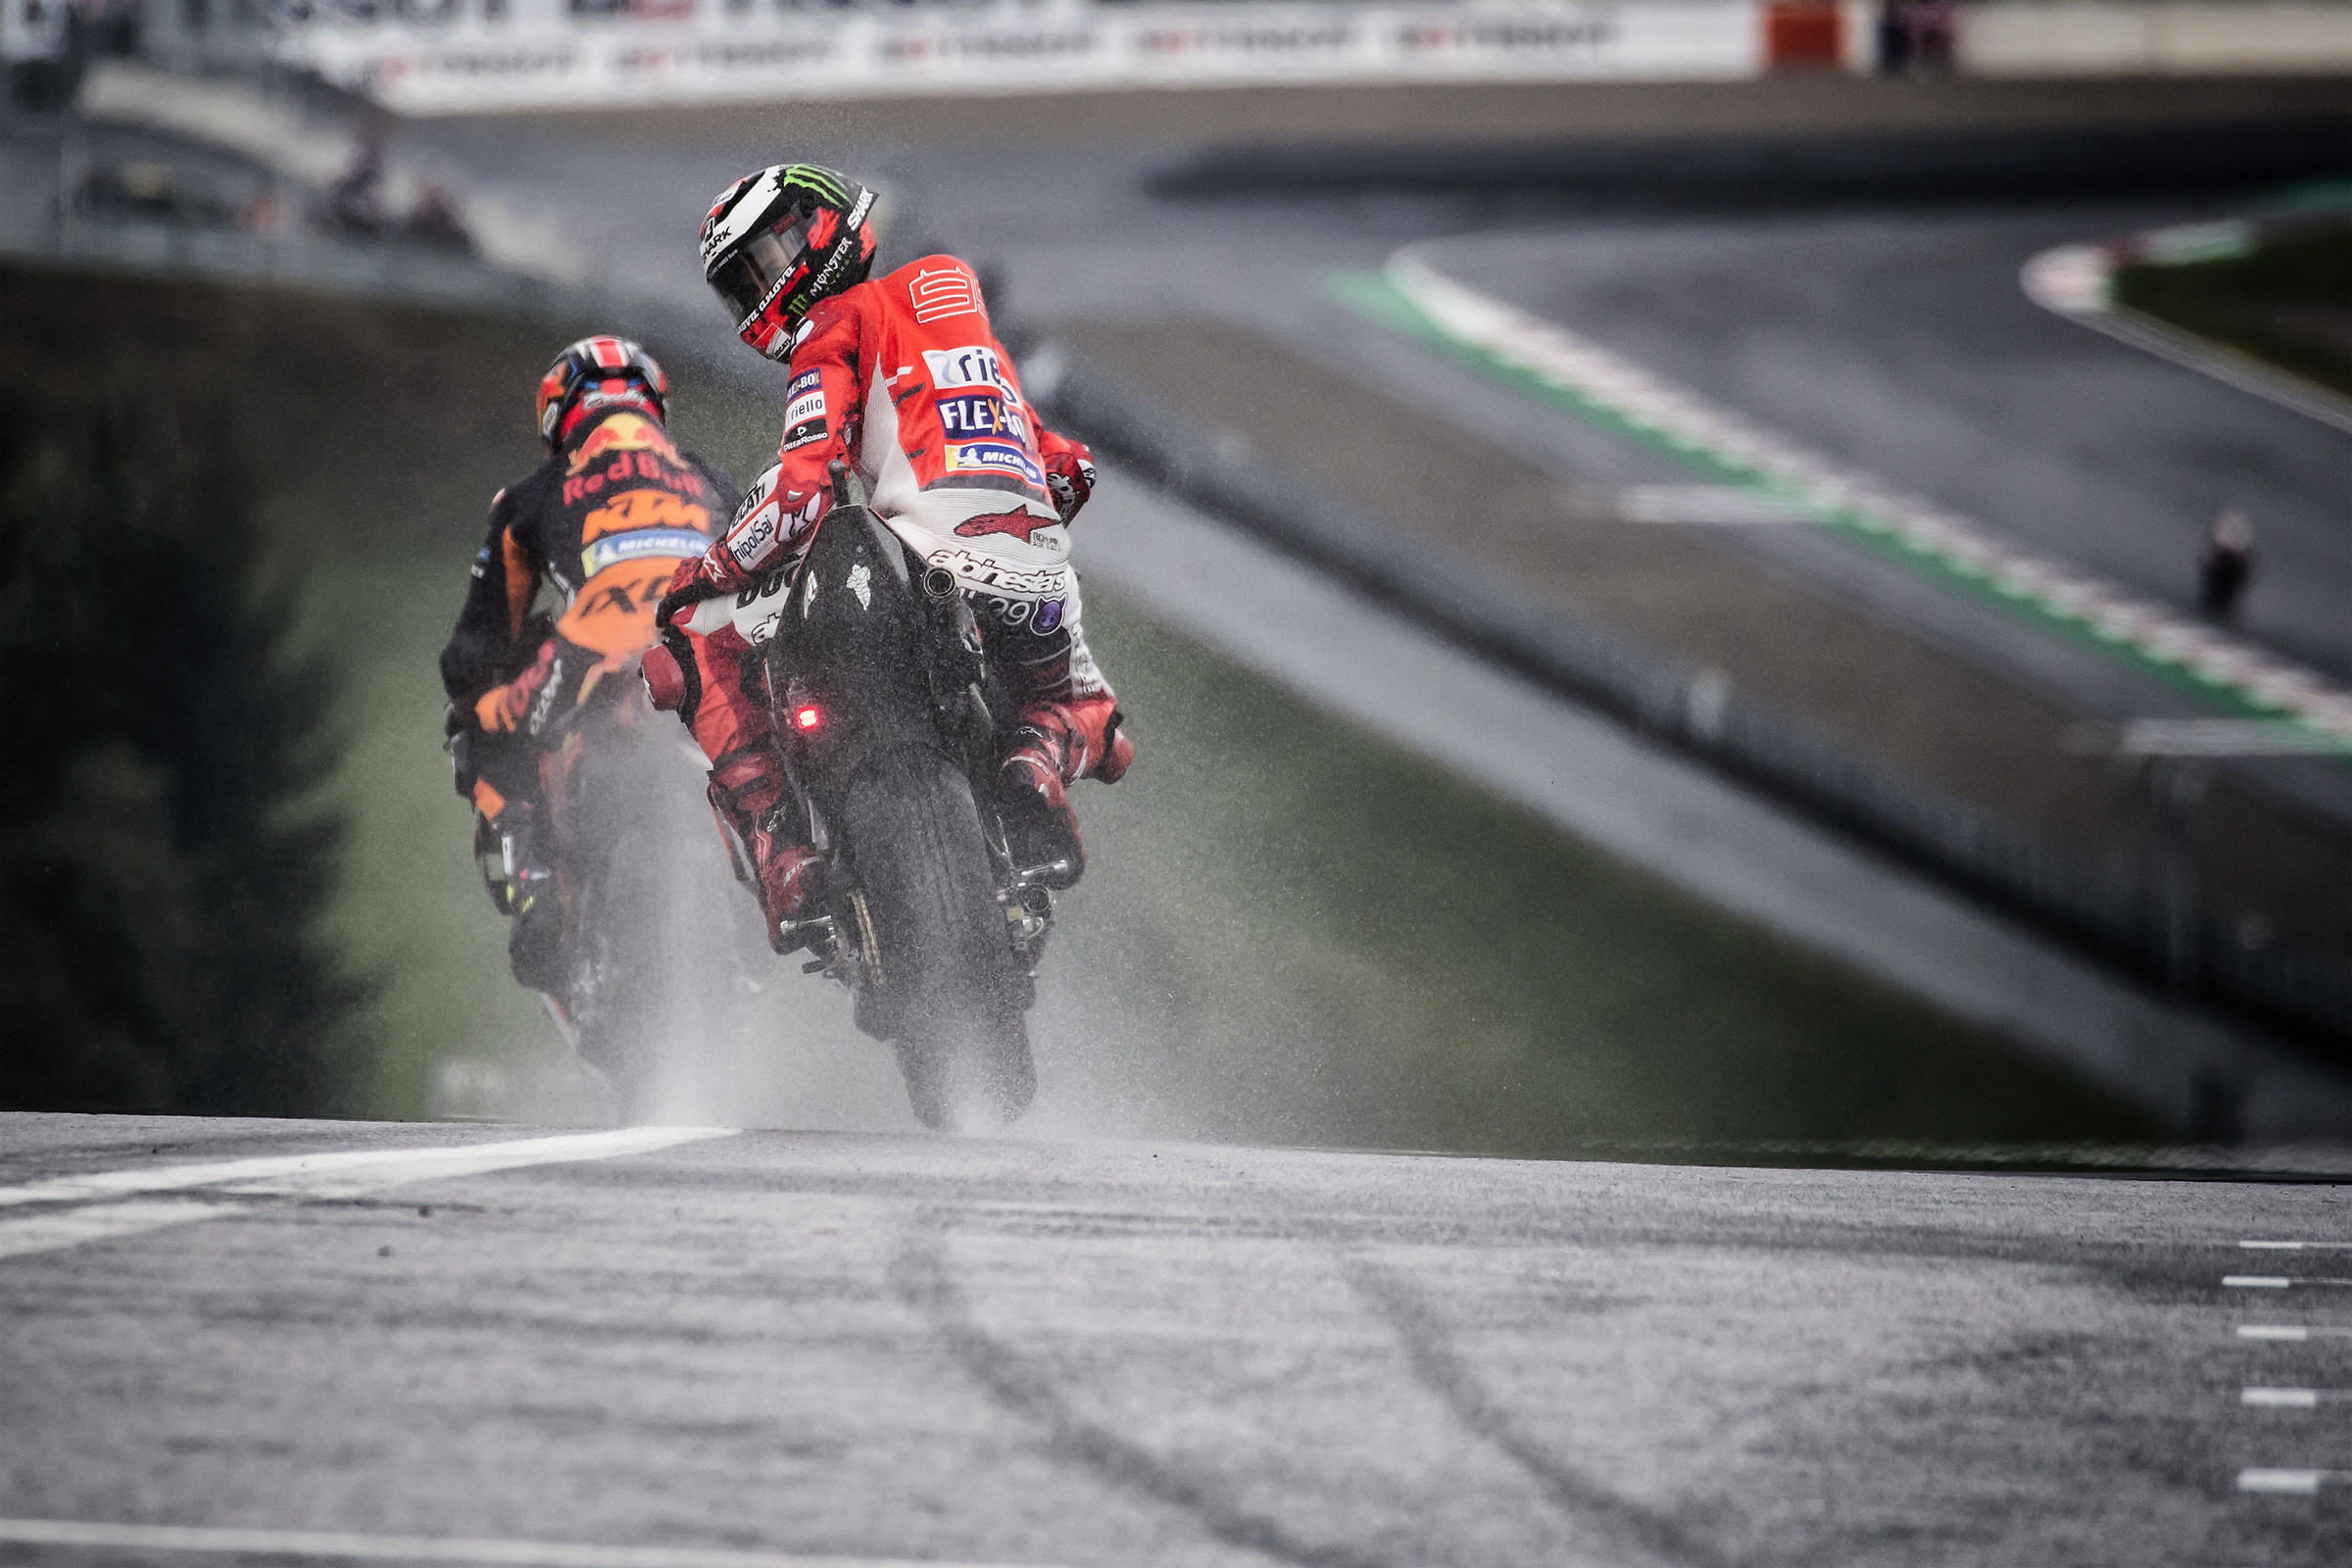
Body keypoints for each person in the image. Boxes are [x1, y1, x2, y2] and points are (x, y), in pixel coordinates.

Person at [653, 163, 1132, 952]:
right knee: (1096, 721)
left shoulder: (832, 331)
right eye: (744, 284)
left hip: (917, 558)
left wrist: (704, 576)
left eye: (767, 263)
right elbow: (1069, 466)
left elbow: (801, 492)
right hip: (1030, 559)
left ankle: (783, 850)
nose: (761, 294)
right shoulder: (957, 304)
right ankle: (1036, 759)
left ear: (819, 228)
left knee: (696, 636)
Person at [440, 334, 736, 992]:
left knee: (479, 721)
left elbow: (474, 648)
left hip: (595, 656)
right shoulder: (708, 477)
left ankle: (536, 888)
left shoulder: (534, 494)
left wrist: (476, 690)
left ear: (558, 419)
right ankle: (797, 861)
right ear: (653, 405)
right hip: (716, 654)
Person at [2198, 508, 2257, 621]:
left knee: (2228, 591)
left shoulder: (2242, 550)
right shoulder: (2214, 542)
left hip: (2234, 567)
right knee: (2213, 588)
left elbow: (2246, 571)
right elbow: (2205, 557)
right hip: (2219, 563)